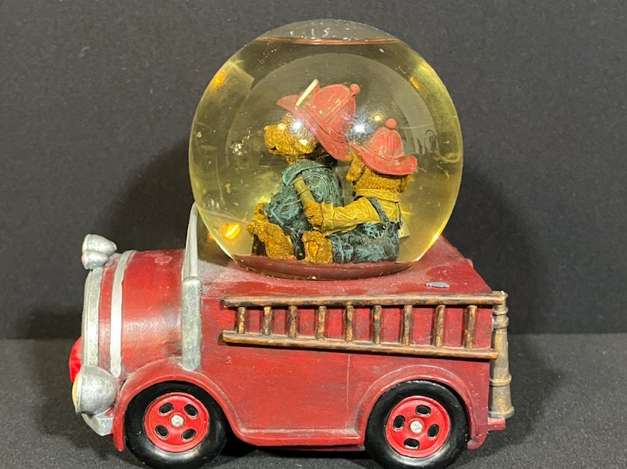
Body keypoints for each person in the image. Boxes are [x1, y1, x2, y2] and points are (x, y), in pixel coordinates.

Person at [248, 80, 361, 260]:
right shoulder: (314, 173)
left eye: (285, 126)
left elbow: (285, 215)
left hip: (300, 248)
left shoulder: (310, 178)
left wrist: (266, 214)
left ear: (307, 141)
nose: (270, 128)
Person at [294, 118, 418, 264]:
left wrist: (301, 188)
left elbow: (327, 218)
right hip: (391, 253)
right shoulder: (393, 205)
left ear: (362, 169)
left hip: (367, 256)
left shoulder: (367, 206)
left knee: (323, 243)